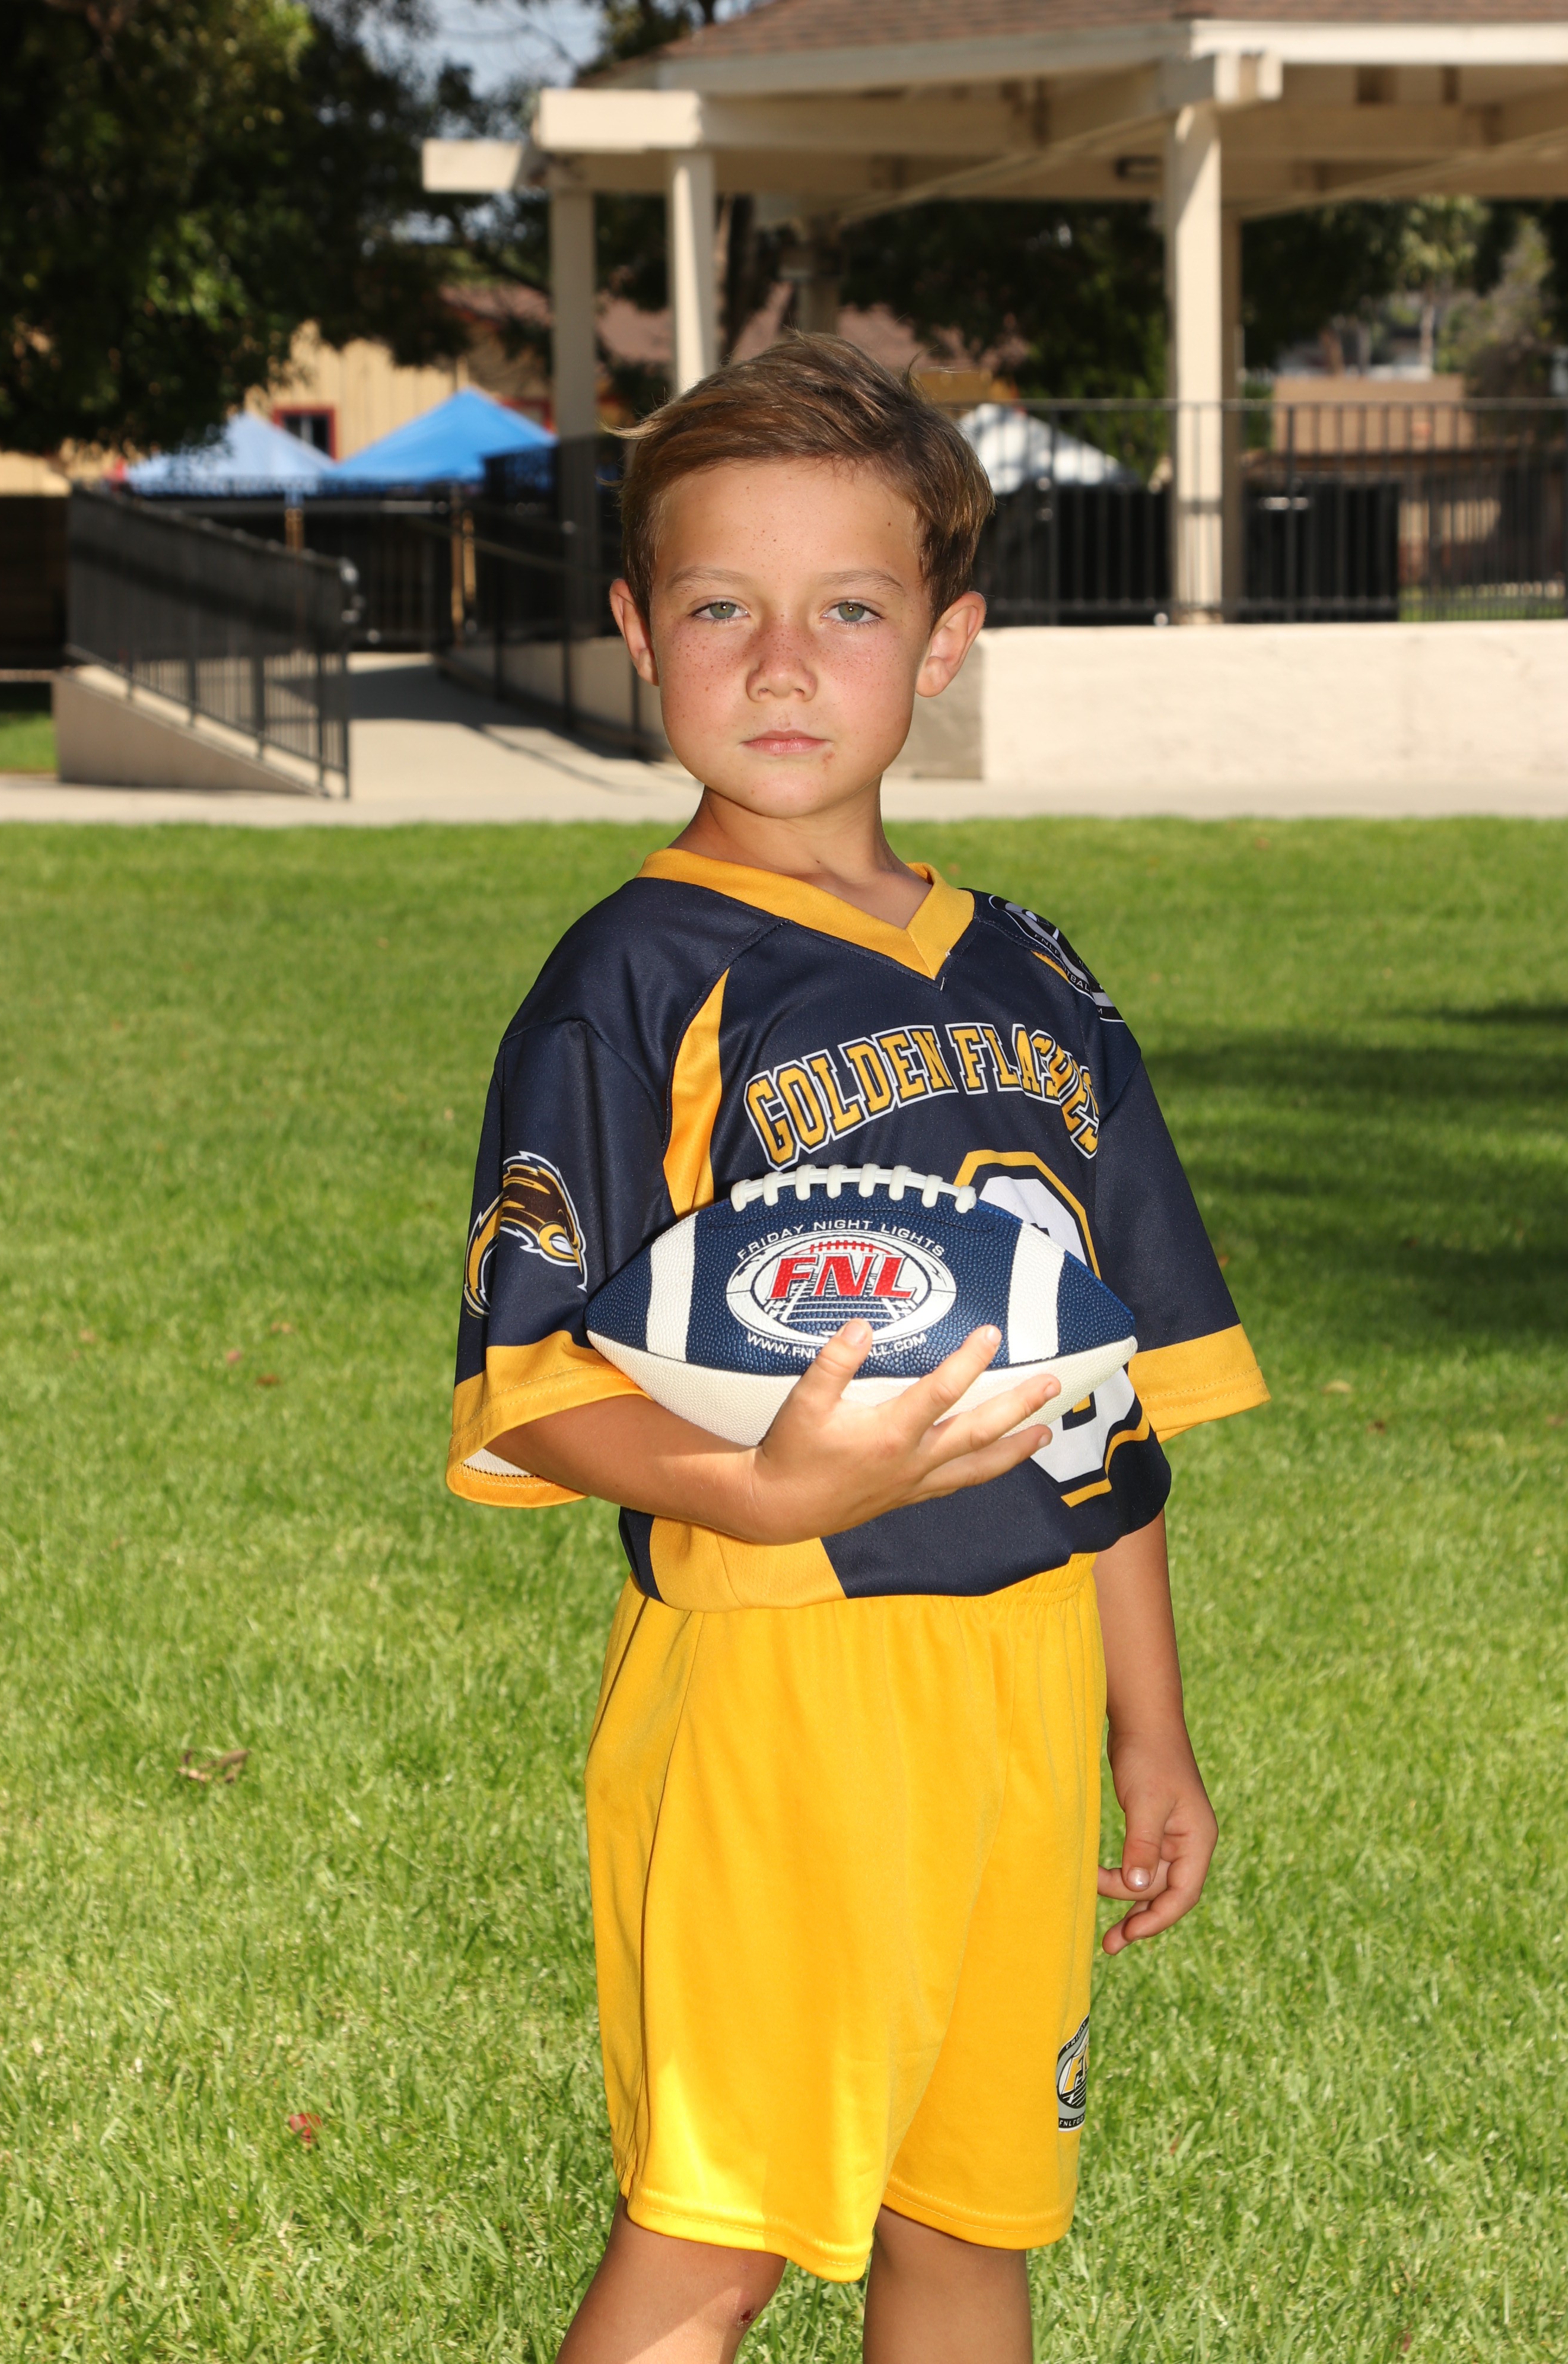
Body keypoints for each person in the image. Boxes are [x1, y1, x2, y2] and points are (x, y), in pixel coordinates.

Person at [447, 336, 1268, 2363]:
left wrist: (1148, 1731)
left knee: (967, 2222)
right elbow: (536, 1392)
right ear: (639, 632)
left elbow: (1113, 1409)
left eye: (850, 611)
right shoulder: (630, 979)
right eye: (723, 608)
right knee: (713, 2241)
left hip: (1022, 1683)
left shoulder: (1041, 978)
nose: (784, 666)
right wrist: (758, 1486)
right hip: (779, 1680)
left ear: (947, 642)